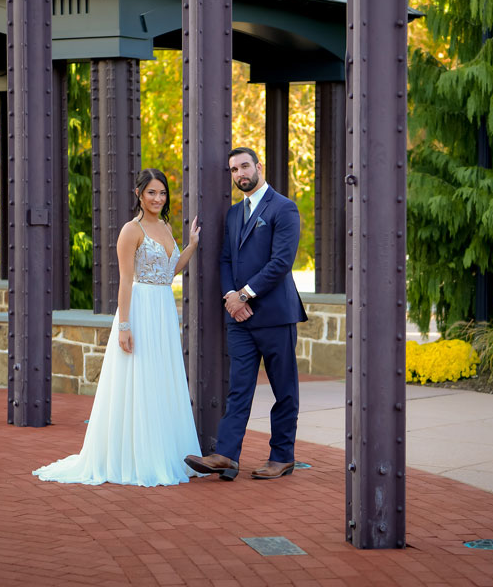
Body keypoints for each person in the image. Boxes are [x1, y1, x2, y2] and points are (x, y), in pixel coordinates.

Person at [33, 169, 204, 487]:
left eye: (162, 193)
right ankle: (136, 456)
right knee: (138, 379)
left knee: (161, 377)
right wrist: (124, 325)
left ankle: (166, 450)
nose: (158, 198)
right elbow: (126, 280)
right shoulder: (131, 230)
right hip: (139, 309)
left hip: (164, 309)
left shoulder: (165, 226)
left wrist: (192, 245)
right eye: (151, 192)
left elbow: (171, 270)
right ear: (139, 194)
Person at [185, 147, 307, 481]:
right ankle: (226, 455)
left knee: (284, 390)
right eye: (234, 170)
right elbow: (225, 259)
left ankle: (282, 457)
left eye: (244, 166)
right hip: (240, 319)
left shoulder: (284, 208)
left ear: (259, 167)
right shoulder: (233, 214)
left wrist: (243, 295)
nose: (240, 174)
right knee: (239, 389)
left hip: (276, 316)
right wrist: (230, 297)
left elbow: (281, 263)